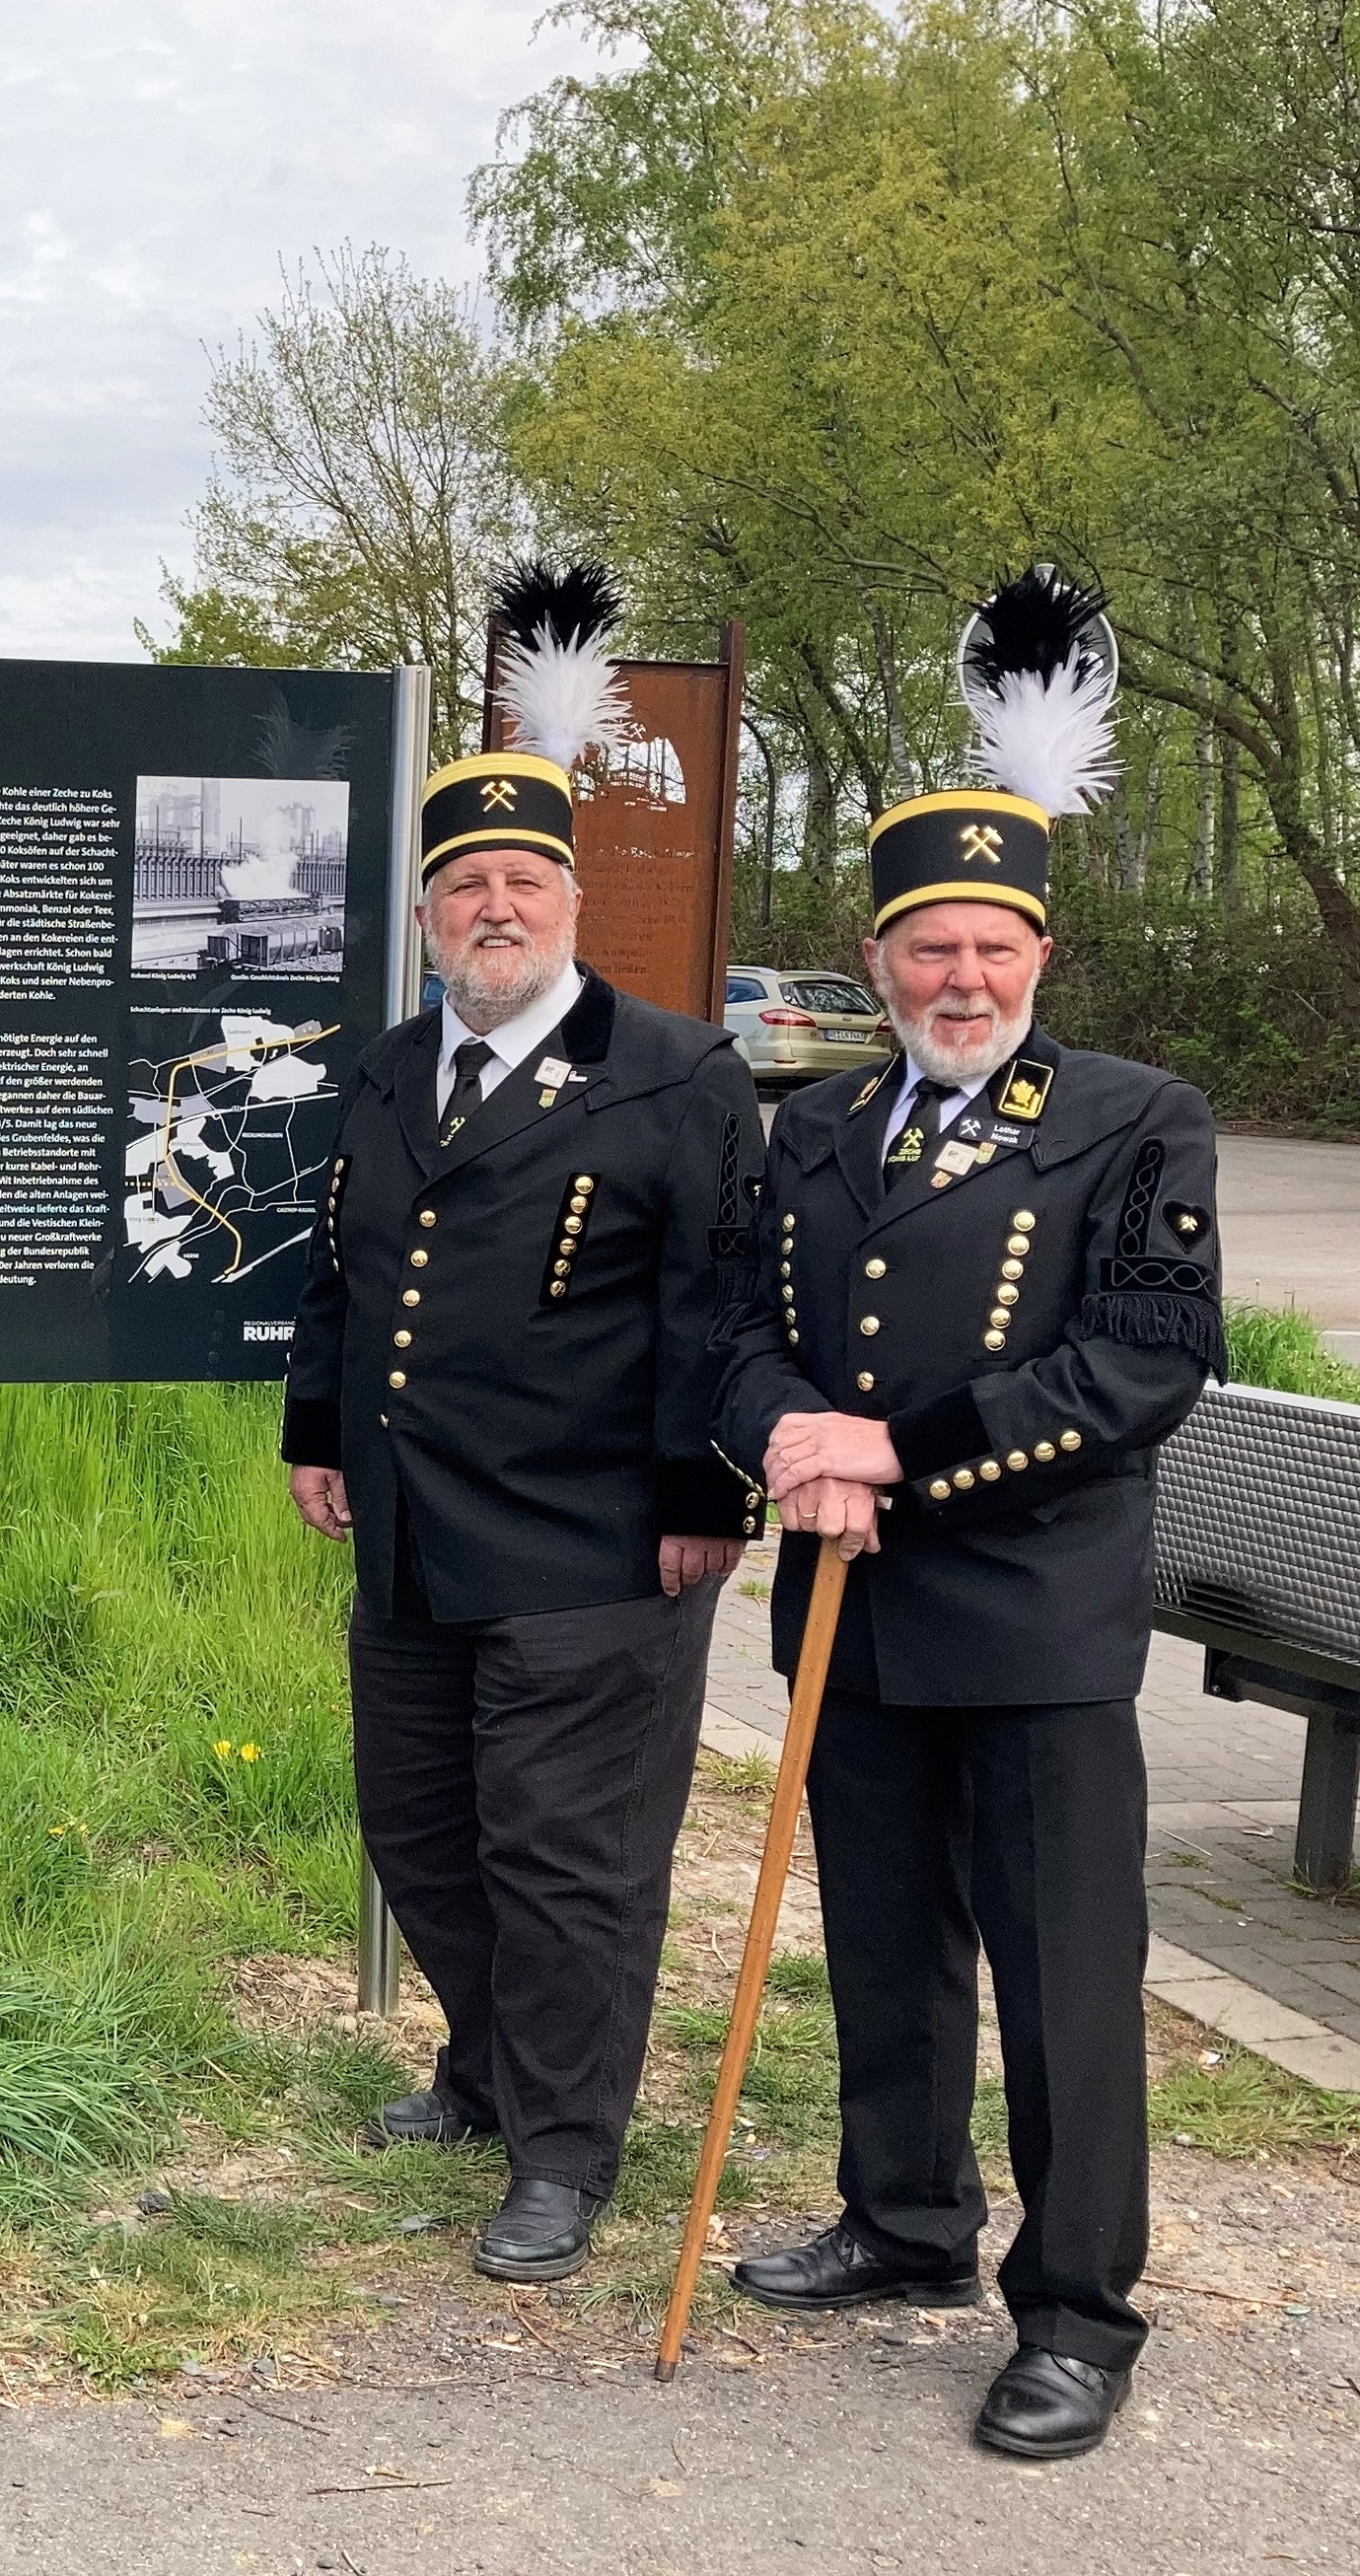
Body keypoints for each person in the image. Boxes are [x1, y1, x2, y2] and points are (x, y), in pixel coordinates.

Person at [713, 570, 1217, 2463]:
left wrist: (890, 1454)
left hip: (1032, 1617)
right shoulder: (816, 1128)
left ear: (1037, 953)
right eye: (923, 948)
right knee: (886, 1939)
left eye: (986, 948)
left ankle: (1076, 2305)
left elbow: (1133, 1365)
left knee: (1061, 1977)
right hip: (849, 1613)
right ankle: (903, 2216)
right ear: (874, 956)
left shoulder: (1129, 1119)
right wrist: (780, 1435)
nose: (955, 980)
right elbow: (734, 1336)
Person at [281, 562, 761, 2287]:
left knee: (565, 1855)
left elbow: (721, 1302)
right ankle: (484, 2068)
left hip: (591, 1542)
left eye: (521, 879)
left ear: (569, 900)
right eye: (463, 883)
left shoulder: (674, 1073)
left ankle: (562, 2148)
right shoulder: (391, 1068)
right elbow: (341, 1270)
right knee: (417, 1821)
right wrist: (313, 1429)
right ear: (425, 914)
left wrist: (704, 1487)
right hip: (412, 1528)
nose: (494, 905)